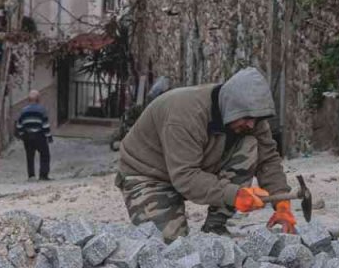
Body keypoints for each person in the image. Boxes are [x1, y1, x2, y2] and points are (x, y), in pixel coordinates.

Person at [116, 68, 297, 241]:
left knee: (250, 144)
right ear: (231, 105)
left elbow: (268, 160)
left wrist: (282, 203)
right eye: (247, 118)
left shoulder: (251, 117)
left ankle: (215, 228)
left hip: (194, 166)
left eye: (255, 119)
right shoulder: (185, 116)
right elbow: (185, 177)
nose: (251, 124)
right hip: (148, 175)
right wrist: (235, 195)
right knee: (170, 247)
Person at [15, 90, 53, 181]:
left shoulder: (24, 110)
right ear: (38, 99)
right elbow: (45, 125)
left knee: (29, 156)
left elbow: (19, 125)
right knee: (45, 155)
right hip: (39, 135)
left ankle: (31, 176)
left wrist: (21, 135)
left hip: (27, 136)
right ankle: (43, 175)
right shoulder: (42, 110)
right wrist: (49, 136)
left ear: (29, 100)